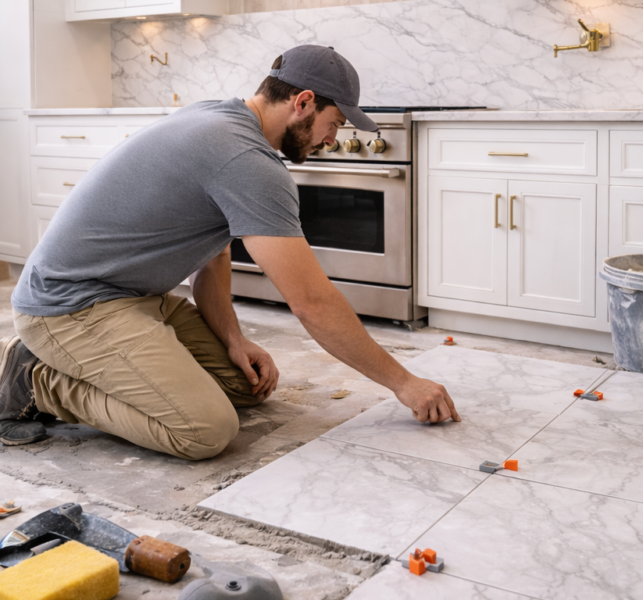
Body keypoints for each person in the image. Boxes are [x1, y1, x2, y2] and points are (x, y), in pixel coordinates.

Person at [0, 45, 460, 458]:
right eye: (334, 123)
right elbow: (312, 303)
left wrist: (234, 339)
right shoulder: (244, 160)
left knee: (246, 386)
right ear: (302, 102)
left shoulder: (224, 117)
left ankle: (74, 362)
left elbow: (214, 254)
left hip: (130, 296)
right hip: (69, 308)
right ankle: (36, 379)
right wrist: (404, 382)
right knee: (204, 431)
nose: (331, 140)